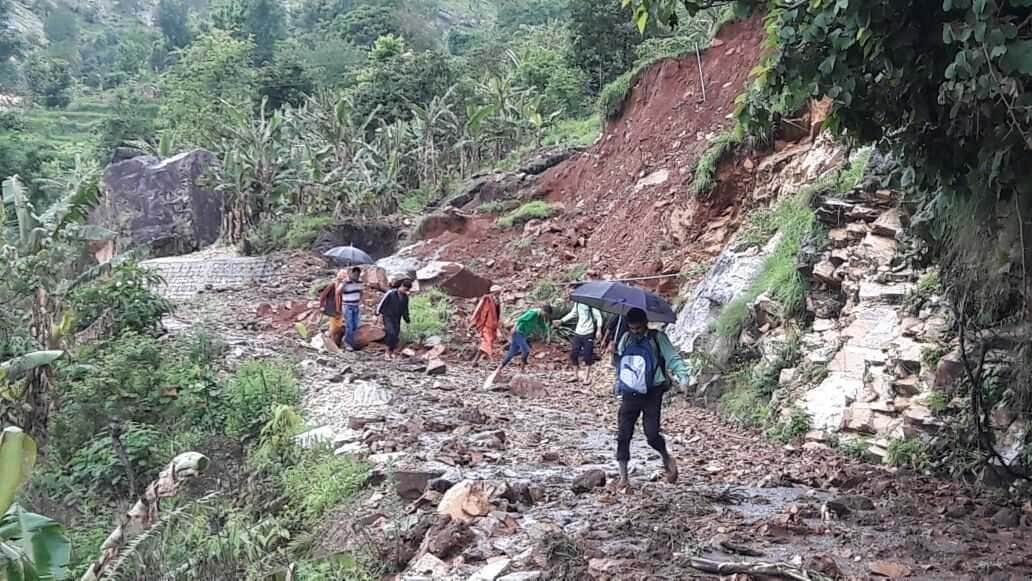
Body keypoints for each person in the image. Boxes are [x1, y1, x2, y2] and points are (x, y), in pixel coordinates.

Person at [613, 307, 691, 489]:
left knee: (652, 434)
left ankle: (665, 455)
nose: (635, 332)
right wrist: (614, 359)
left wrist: (683, 377)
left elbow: (672, 358)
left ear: (645, 324)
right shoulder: (625, 339)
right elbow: (621, 365)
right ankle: (623, 477)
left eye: (638, 328)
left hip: (652, 392)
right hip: (629, 392)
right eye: (632, 328)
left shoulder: (657, 338)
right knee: (623, 434)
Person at [555, 294, 603, 383]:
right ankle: (575, 375)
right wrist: (562, 321)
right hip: (578, 332)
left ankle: (587, 377)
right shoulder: (577, 303)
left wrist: (599, 330)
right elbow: (573, 313)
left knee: (587, 355)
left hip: (589, 332)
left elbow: (598, 317)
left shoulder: (591, 304)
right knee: (573, 354)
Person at [495, 304, 553, 375]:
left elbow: (542, 326)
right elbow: (520, 319)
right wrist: (514, 327)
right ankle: (522, 370)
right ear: (543, 310)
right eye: (545, 314)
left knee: (511, 353)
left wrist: (547, 333)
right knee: (526, 350)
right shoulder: (533, 313)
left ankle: (499, 368)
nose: (545, 316)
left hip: (523, 335)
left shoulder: (539, 316)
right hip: (518, 332)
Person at [376, 279, 412, 360]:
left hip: (397, 317)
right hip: (388, 316)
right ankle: (387, 352)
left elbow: (405, 309)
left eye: (407, 290)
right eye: (405, 289)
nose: (405, 291)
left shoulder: (405, 297)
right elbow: (382, 303)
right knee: (390, 332)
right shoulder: (391, 293)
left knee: (395, 334)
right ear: (401, 286)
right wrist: (378, 314)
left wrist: (407, 319)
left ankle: (392, 351)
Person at [469, 285, 503, 367]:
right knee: (488, 343)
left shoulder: (498, 301)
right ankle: (491, 362)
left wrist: (499, 326)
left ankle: (474, 361)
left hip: (493, 326)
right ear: (493, 292)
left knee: (485, 344)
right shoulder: (486, 299)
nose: (499, 293)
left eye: (499, 292)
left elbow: (498, 314)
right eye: (497, 292)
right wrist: (473, 321)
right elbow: (479, 309)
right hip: (486, 325)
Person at [319, 270, 347, 348]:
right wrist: (321, 305)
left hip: (340, 309)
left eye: (345, 276)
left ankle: (334, 342)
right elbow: (323, 295)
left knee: (338, 326)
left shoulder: (343, 286)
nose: (344, 278)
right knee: (334, 327)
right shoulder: (333, 285)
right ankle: (329, 342)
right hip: (333, 308)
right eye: (343, 276)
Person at [339, 266, 365, 351]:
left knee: (355, 325)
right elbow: (338, 292)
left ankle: (349, 340)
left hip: (356, 305)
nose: (356, 276)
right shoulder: (346, 282)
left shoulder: (359, 282)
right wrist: (344, 284)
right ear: (351, 273)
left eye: (358, 274)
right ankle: (347, 343)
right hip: (347, 306)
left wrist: (361, 302)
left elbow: (361, 292)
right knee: (349, 325)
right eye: (355, 274)